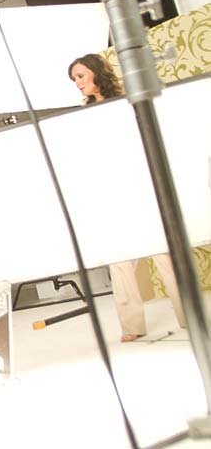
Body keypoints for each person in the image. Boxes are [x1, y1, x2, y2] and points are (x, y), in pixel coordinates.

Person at [68, 53, 187, 342]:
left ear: (97, 72)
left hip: (140, 183)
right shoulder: (83, 113)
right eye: (74, 79)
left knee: (163, 253)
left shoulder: (126, 101)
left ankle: (188, 314)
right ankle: (132, 325)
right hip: (109, 190)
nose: (78, 83)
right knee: (118, 258)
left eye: (81, 76)